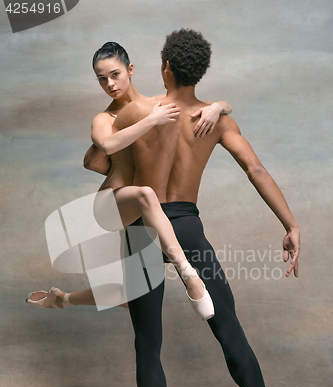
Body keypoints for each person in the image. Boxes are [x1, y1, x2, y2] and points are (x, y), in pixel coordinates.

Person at [101, 29, 299, 387]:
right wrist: (290, 224)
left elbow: (98, 157)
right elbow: (256, 168)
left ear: (165, 66)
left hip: (141, 226)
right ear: (200, 70)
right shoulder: (215, 120)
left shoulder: (137, 111)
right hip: (187, 226)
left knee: (148, 343)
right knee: (229, 328)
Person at [26, 42, 232, 319]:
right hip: (112, 202)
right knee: (145, 193)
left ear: (130, 70)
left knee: (132, 294)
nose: (109, 84)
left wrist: (218, 106)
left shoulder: (155, 104)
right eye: (102, 79)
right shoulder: (105, 118)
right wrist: (150, 121)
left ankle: (63, 299)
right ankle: (189, 274)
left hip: (144, 211)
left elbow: (201, 104)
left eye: (115, 74)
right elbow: (108, 147)